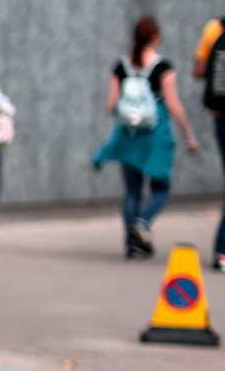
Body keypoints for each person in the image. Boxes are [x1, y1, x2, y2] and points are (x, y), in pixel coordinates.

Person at [94, 16, 197, 259]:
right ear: (156, 37)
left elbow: (111, 104)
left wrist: (130, 115)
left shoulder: (121, 66)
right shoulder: (163, 67)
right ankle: (142, 223)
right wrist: (189, 134)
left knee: (132, 190)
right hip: (155, 135)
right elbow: (173, 104)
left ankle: (132, 244)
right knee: (161, 186)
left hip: (128, 135)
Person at [197, 15, 225, 269]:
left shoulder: (214, 28)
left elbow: (198, 70)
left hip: (220, 116)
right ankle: (222, 250)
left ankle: (222, 250)